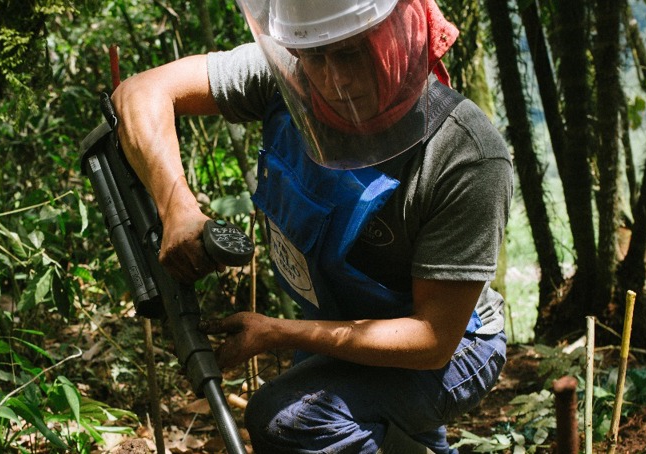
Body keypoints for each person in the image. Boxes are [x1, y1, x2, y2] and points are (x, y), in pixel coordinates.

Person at [111, 0, 511, 451]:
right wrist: (176, 206)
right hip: (338, 322)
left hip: (455, 346)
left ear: (398, 35)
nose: (334, 80)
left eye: (353, 52)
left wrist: (279, 332)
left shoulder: (465, 153)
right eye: (315, 56)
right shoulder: (286, 80)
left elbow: (432, 340)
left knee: (289, 419)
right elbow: (141, 91)